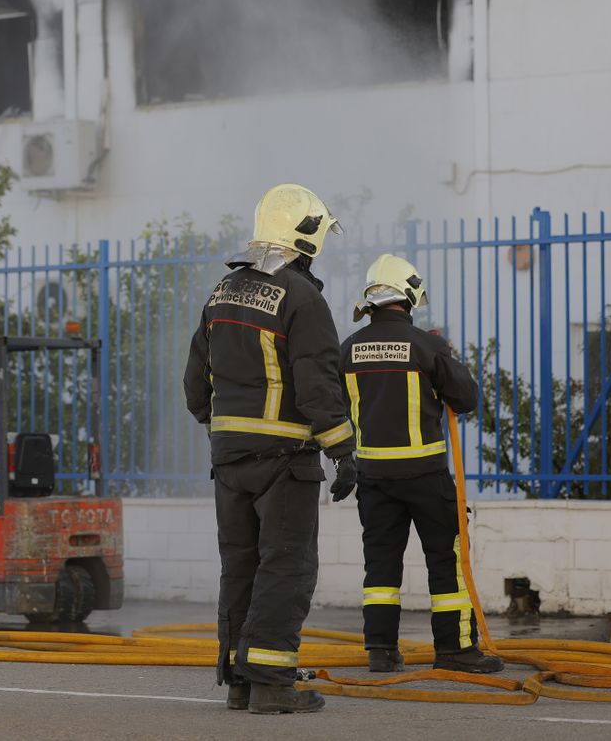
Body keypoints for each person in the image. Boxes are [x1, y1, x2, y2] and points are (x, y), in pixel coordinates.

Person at [185, 183, 356, 715]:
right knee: (286, 566)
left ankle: (239, 679)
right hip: (284, 461)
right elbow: (317, 382)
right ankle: (272, 683)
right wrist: (343, 449)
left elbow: (196, 384)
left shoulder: (221, 292)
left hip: (229, 458)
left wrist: (224, 431)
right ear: (307, 235)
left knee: (239, 565)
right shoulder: (303, 298)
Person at [340, 254, 502, 675]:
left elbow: (336, 408)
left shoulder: (348, 348)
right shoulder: (426, 345)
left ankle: (380, 650)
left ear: (370, 302)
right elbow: (465, 399)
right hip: (426, 476)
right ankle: (454, 651)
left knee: (379, 565)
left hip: (372, 478)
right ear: (408, 298)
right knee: (446, 561)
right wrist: (444, 353)